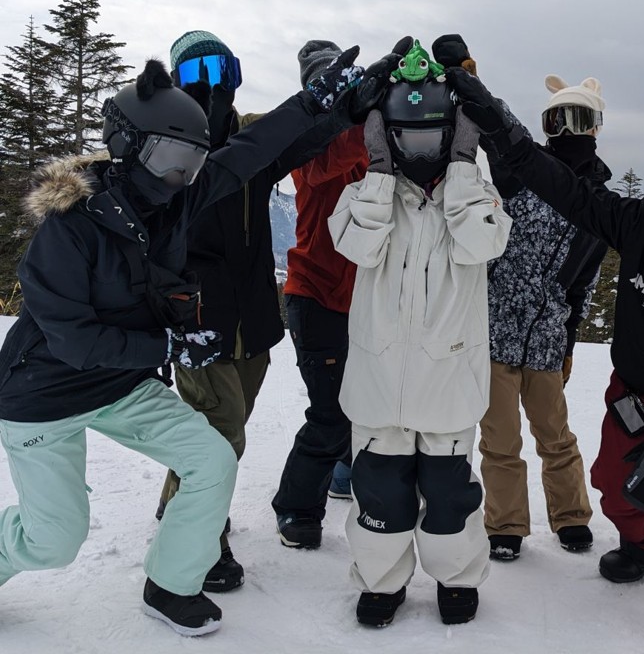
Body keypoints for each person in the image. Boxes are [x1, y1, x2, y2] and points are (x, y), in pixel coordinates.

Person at [0, 51, 395, 636]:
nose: (178, 177)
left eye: (190, 162)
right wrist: (168, 346)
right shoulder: (70, 228)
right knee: (56, 540)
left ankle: (171, 582)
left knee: (211, 458)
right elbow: (75, 341)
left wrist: (321, 105)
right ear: (128, 146)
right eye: (167, 159)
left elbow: (252, 151)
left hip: (121, 387)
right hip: (44, 395)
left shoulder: (175, 200)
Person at [447, 66, 644, 654]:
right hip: (636, 389)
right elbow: (556, 183)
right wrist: (489, 111)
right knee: (613, 486)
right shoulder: (641, 226)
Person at [328, 40, 512, 628]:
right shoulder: (364, 194)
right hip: (379, 383)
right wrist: (379, 175)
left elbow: (484, 244)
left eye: (432, 139)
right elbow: (356, 244)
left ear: (453, 135)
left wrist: (461, 168)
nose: (419, 151)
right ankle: (381, 582)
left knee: (451, 500)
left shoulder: (476, 195)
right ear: (388, 137)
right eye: (407, 138)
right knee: (379, 494)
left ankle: (456, 579)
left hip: (449, 383)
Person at [156, 30, 335, 588]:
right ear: (174, 84)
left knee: (219, 430)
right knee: (219, 430)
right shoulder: (166, 149)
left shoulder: (256, 139)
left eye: (219, 69)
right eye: (194, 73)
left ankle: (180, 509)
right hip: (200, 320)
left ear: (235, 72)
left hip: (252, 317)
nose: (210, 84)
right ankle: (196, 538)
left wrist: (348, 102)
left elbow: (306, 140)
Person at [479, 71, 611, 561]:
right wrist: (471, 82)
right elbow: (498, 132)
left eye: (577, 119)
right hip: (495, 332)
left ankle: (571, 516)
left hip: (547, 340)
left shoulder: (598, 202)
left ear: (596, 127)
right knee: (500, 439)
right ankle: (507, 524)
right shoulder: (522, 172)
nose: (565, 131)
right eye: (555, 119)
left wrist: (570, 340)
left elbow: (584, 283)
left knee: (555, 435)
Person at [271, 39, 376, 547]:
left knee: (360, 403)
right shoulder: (307, 143)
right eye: (323, 81)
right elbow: (322, 165)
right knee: (330, 413)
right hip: (315, 297)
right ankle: (295, 508)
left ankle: (343, 473)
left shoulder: (360, 140)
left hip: (361, 299)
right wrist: (366, 120)